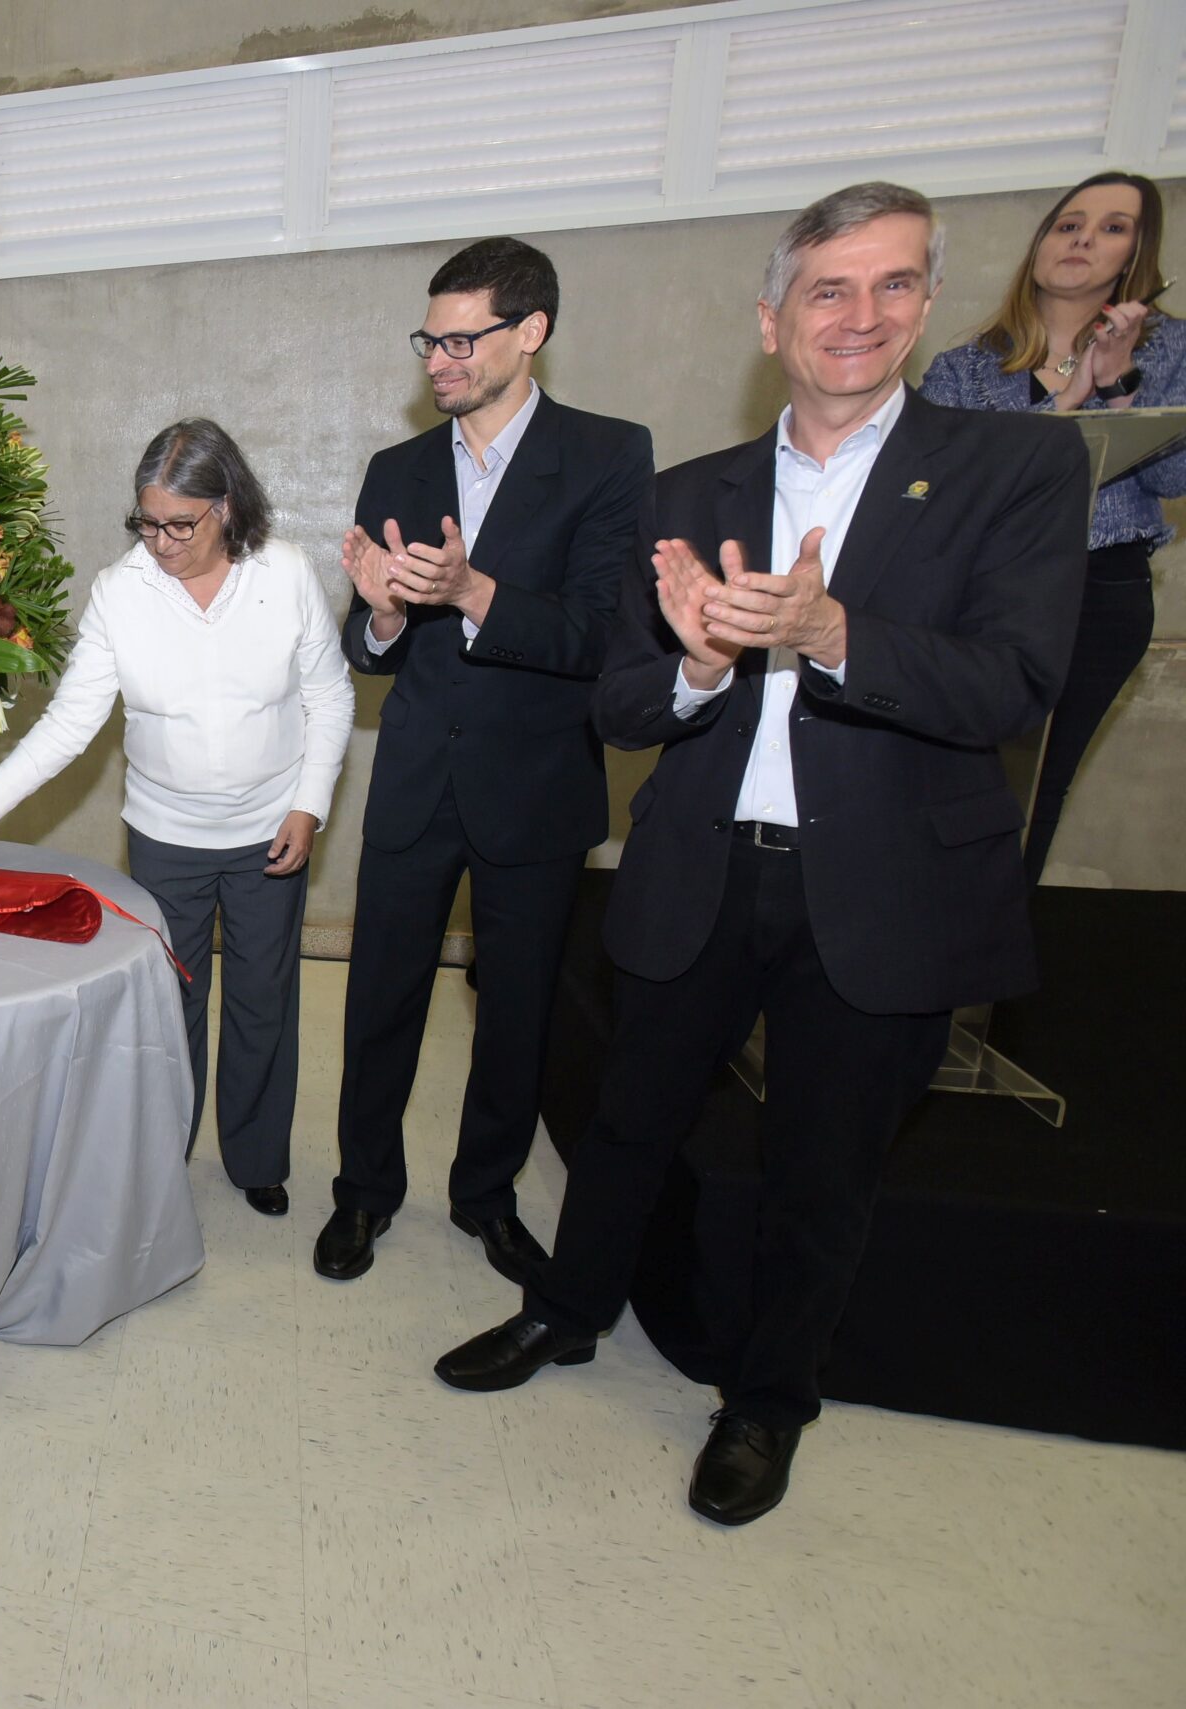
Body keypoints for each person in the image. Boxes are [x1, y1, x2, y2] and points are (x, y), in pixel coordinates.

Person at [433, 183, 1090, 1527]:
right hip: (703, 863)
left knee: (824, 1161)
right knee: (629, 1124)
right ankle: (564, 1311)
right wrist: (694, 660)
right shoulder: (690, 492)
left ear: (925, 303)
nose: (861, 316)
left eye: (893, 285)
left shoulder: (1014, 470)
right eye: (828, 290)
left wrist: (832, 631)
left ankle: (768, 1403)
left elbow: (1017, 686)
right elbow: (620, 705)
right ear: (771, 317)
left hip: (886, 881)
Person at [314, 238, 654, 1286]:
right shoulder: (399, 467)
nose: (439, 360)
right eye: (431, 338)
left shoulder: (606, 455)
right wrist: (375, 614)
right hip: (417, 780)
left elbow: (603, 636)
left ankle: (485, 1195)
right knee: (376, 1001)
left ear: (531, 332)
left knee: (516, 1013)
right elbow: (362, 645)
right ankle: (363, 1192)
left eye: (463, 339)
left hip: (537, 786)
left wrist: (472, 593)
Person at [0, 419, 352, 1217]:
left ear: (225, 507)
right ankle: (163, 1146)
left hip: (270, 832)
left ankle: (257, 1158)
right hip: (165, 836)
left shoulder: (284, 574)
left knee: (263, 997)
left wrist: (309, 805)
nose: (161, 541)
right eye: (147, 522)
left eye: (180, 523)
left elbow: (329, 697)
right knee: (168, 1000)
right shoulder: (122, 590)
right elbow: (69, 724)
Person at [921, 171, 1183, 883]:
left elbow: (1171, 479)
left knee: (1041, 786)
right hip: (982, 593)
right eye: (1068, 224)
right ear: (1040, 243)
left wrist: (1122, 382)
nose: (1083, 240)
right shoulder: (964, 368)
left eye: (1112, 227)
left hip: (1103, 588)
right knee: (960, 783)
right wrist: (1069, 398)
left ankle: (990, 967)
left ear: (1135, 255)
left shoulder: (1169, 351)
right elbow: (950, 494)